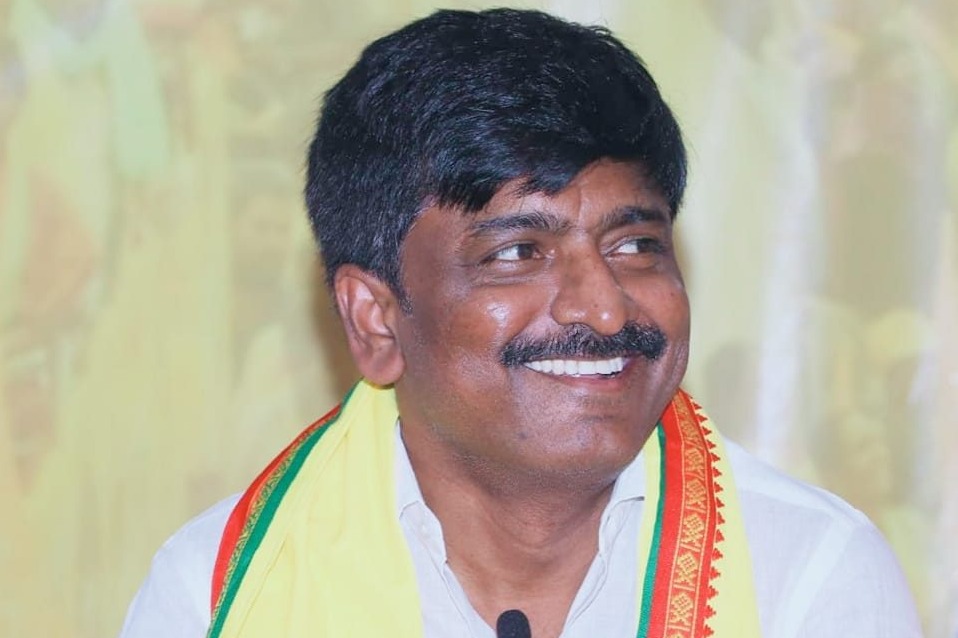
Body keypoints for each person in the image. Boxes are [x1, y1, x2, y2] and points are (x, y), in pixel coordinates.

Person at [119, 9, 921, 638]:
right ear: (376, 319)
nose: (604, 307)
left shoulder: (809, 576)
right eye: (517, 253)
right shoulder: (218, 595)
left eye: (635, 244)